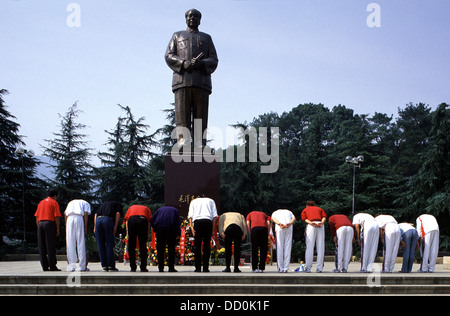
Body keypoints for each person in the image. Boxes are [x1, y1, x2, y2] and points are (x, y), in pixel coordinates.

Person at [165, 8, 219, 147]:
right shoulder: (177, 36)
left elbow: (214, 59)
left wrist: (202, 63)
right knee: (182, 114)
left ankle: (200, 143)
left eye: (195, 16)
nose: (192, 18)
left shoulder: (207, 38)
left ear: (200, 20)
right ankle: (183, 142)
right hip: (182, 81)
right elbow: (168, 55)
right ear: (186, 19)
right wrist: (183, 63)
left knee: (201, 115)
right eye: (189, 16)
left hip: (201, 82)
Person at [34, 189, 62, 271]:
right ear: (55, 196)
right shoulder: (54, 203)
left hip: (40, 224)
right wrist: (57, 228)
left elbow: (37, 217)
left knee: (41, 246)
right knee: (50, 245)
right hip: (49, 223)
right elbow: (56, 216)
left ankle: (44, 266)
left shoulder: (41, 202)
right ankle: (52, 265)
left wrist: (38, 226)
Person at [188, 197, 218, 272]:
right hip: (208, 222)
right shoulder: (211, 200)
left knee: (197, 246)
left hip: (198, 222)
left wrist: (192, 228)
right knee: (207, 246)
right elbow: (214, 217)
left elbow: (190, 216)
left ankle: (197, 268)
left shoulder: (193, 201)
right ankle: (205, 268)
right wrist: (212, 228)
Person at [151, 206, 181, 272]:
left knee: (160, 249)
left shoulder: (159, 209)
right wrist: (178, 234)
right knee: (171, 249)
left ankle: (161, 268)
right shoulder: (175, 210)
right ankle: (171, 268)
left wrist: (155, 229)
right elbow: (177, 222)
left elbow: (152, 220)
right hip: (171, 229)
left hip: (160, 229)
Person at [94, 201, 122, 272]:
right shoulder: (117, 204)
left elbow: (95, 215)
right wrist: (115, 227)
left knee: (100, 244)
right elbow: (118, 214)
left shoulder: (102, 204)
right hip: (108, 220)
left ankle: (104, 266)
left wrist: (95, 227)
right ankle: (110, 266)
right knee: (109, 243)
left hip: (98, 221)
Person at [124, 205, 152, 272]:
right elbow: (148, 222)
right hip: (142, 220)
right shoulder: (146, 208)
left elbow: (127, 220)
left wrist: (127, 232)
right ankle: (143, 267)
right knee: (142, 245)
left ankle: (133, 267)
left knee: (131, 245)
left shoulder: (131, 207)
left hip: (132, 220)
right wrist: (147, 235)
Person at [65, 199, 91, 272]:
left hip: (69, 219)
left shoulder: (70, 202)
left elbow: (65, 214)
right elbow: (85, 214)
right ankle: (82, 266)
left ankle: (71, 266)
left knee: (70, 242)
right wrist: (85, 227)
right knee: (81, 241)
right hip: (79, 218)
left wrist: (66, 225)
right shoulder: (86, 203)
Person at [301, 201, 327, 273]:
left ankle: (308, 268)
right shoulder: (319, 209)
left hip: (311, 225)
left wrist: (311, 223)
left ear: (307, 205)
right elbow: (324, 217)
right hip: (320, 225)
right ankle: (319, 268)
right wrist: (321, 222)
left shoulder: (305, 209)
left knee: (309, 246)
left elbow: (304, 219)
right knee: (320, 246)